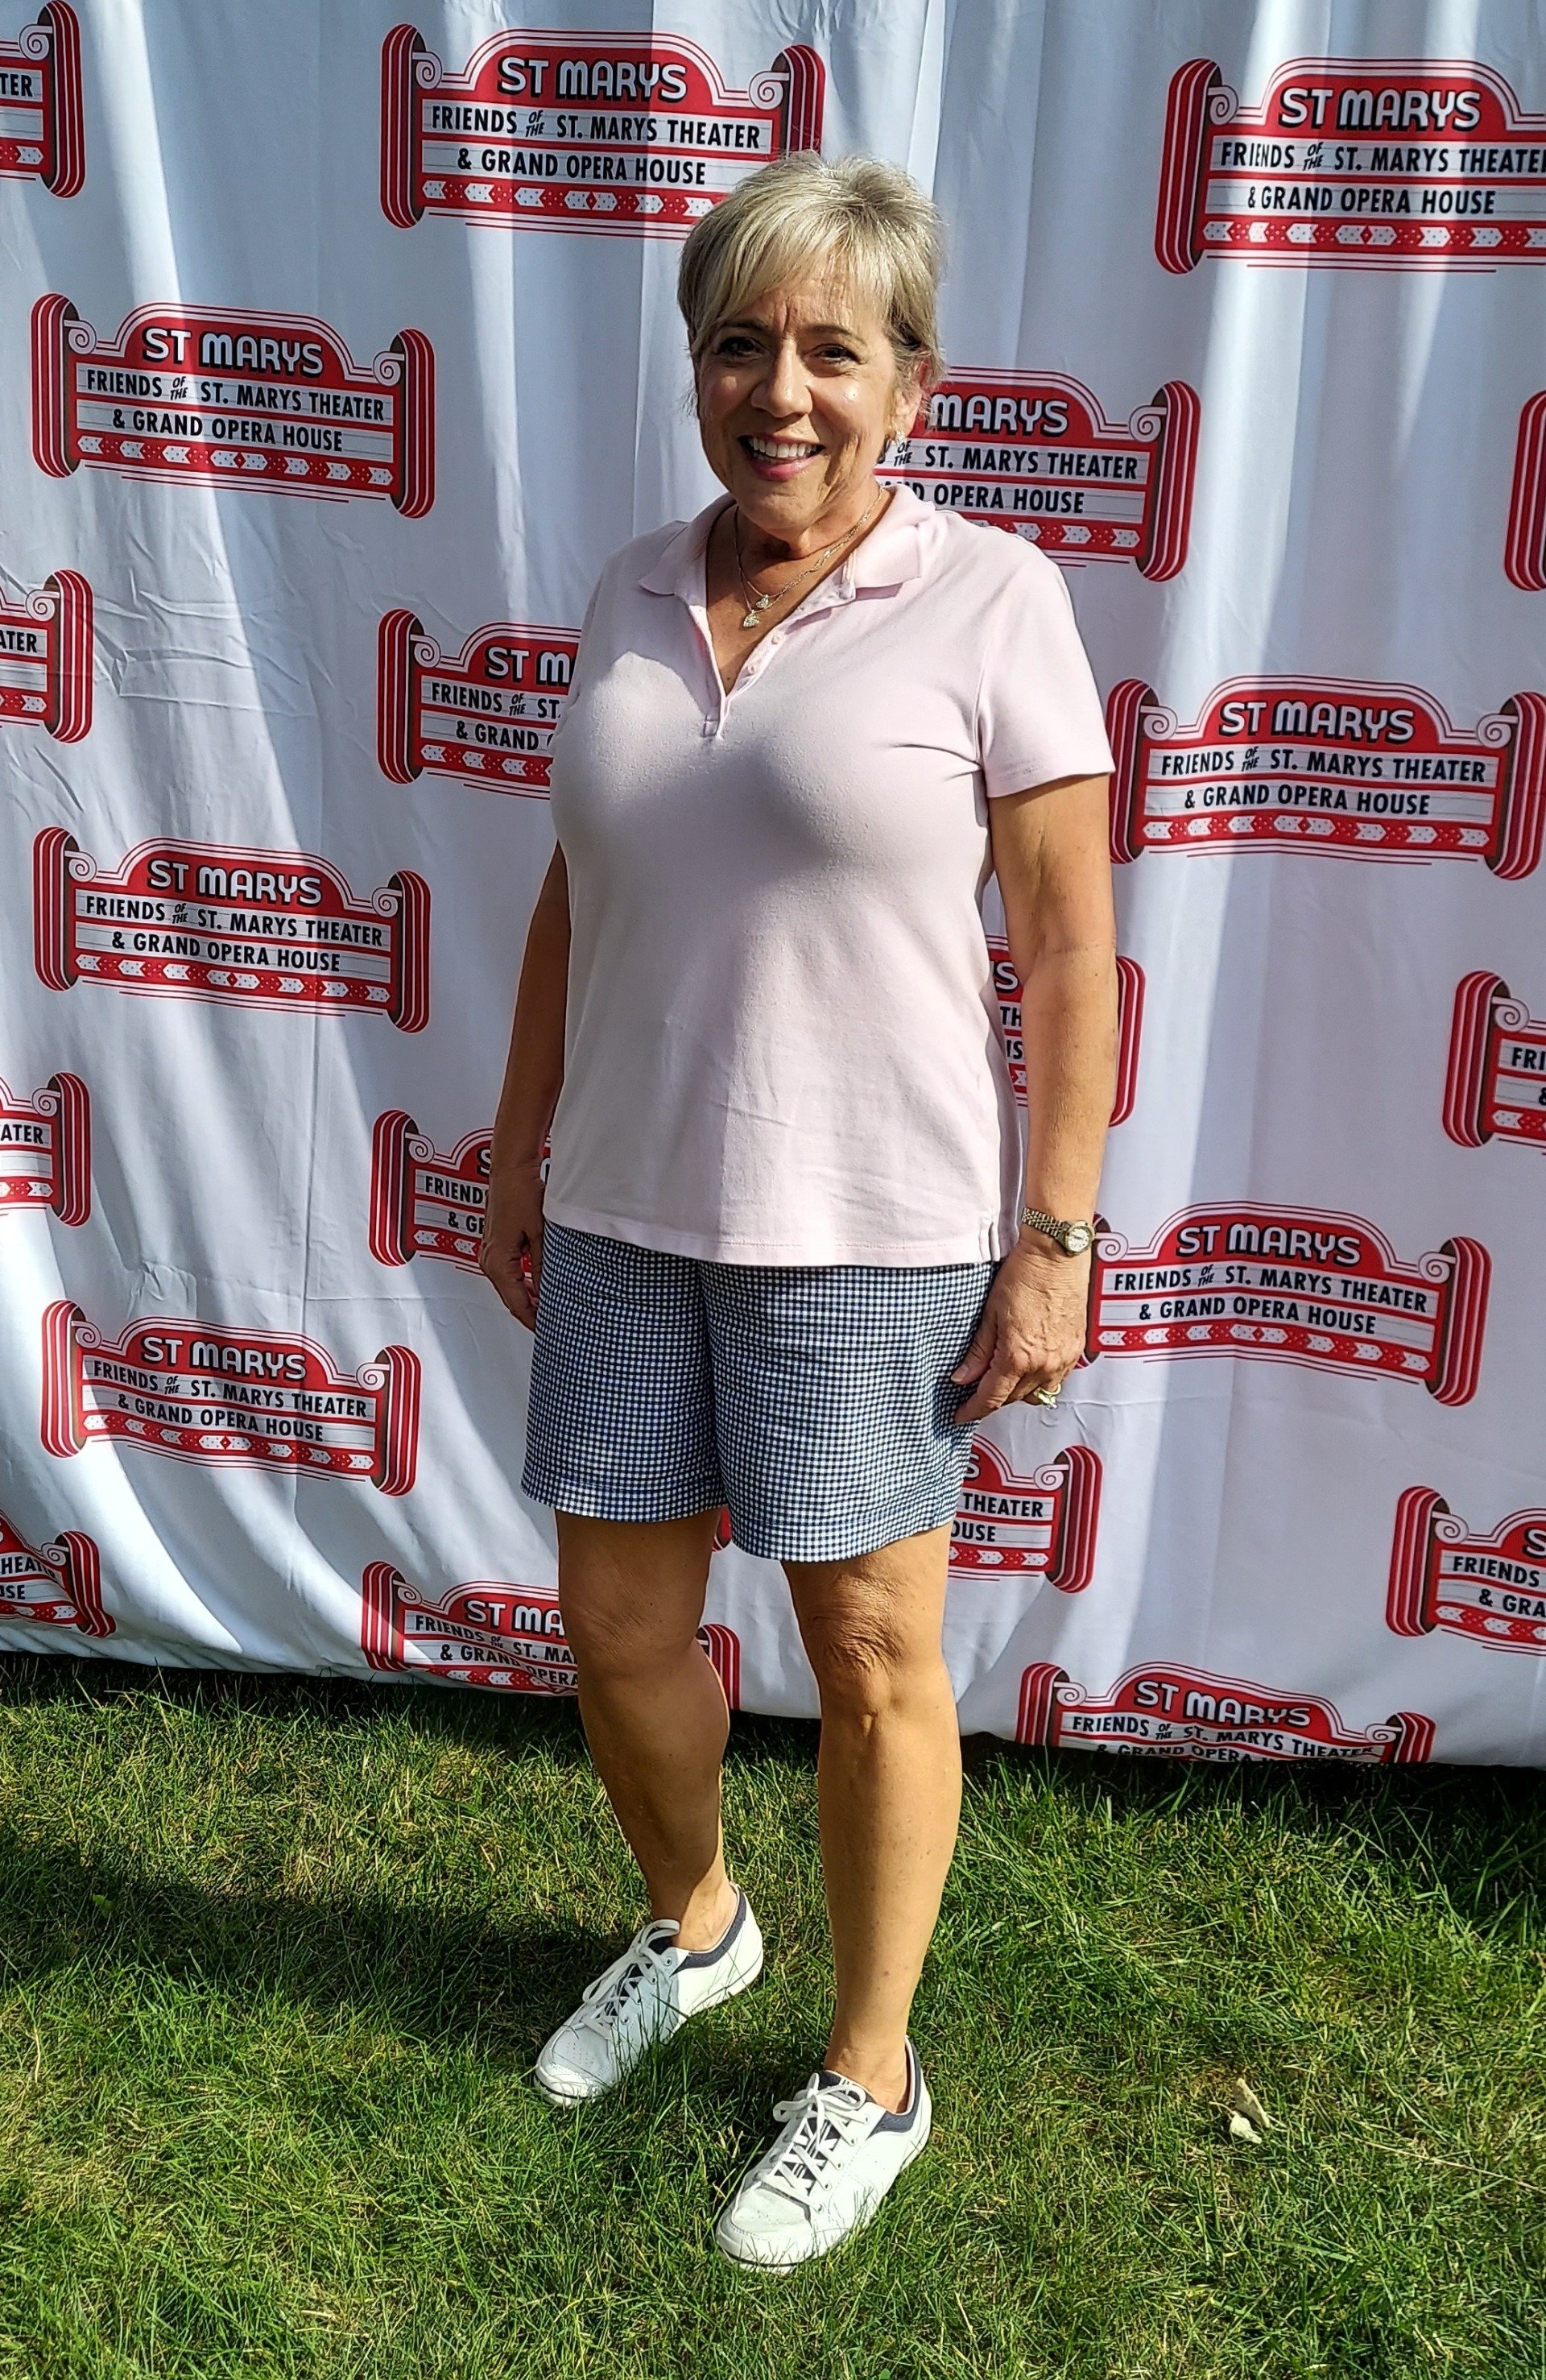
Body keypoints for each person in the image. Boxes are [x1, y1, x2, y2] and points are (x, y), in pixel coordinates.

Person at [480, 151, 1116, 2269]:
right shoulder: (634, 587)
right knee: (620, 1631)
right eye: (742, 341)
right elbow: (587, 892)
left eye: (833, 348)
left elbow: (1067, 943)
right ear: (696, 368)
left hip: (873, 1236)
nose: (784, 390)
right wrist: (517, 1146)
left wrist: (1055, 1235)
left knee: (870, 1663)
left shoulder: (993, 597)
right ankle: (697, 1927)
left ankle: (872, 2071)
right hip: (626, 1209)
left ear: (908, 383)